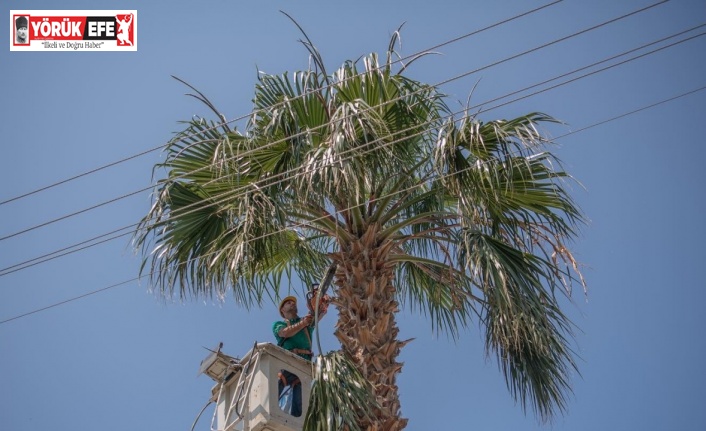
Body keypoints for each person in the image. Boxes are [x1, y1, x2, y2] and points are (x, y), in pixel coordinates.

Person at [272, 290, 329, 417]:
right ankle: (266, 411)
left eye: (293, 302)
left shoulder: (307, 324)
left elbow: (320, 313)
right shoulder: (280, 324)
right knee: (275, 389)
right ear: (282, 310)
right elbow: (284, 333)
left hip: (303, 365)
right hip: (288, 362)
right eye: (288, 303)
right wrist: (303, 323)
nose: (292, 303)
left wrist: (322, 302)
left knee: (300, 404)